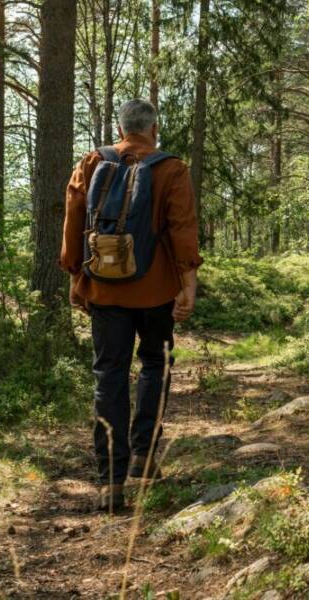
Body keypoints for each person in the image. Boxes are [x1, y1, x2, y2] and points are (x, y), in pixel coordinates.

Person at [59, 99, 202, 511]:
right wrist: (187, 284)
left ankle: (110, 482)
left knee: (109, 375)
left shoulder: (92, 161)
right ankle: (144, 454)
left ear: (121, 129)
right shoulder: (171, 169)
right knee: (155, 364)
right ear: (154, 129)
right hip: (156, 289)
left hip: (103, 288)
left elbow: (73, 217)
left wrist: (75, 276)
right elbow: (182, 228)